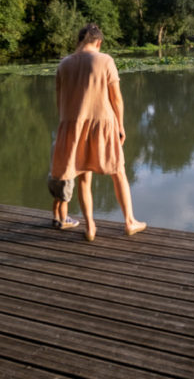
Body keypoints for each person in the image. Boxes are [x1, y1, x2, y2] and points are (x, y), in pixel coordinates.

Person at [49, 23, 146, 241]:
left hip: (74, 126)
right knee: (118, 172)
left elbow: (59, 102)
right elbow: (117, 98)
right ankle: (130, 222)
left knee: (84, 177)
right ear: (99, 42)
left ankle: (90, 227)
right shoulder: (105, 60)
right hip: (103, 124)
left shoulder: (63, 64)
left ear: (79, 40)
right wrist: (121, 125)